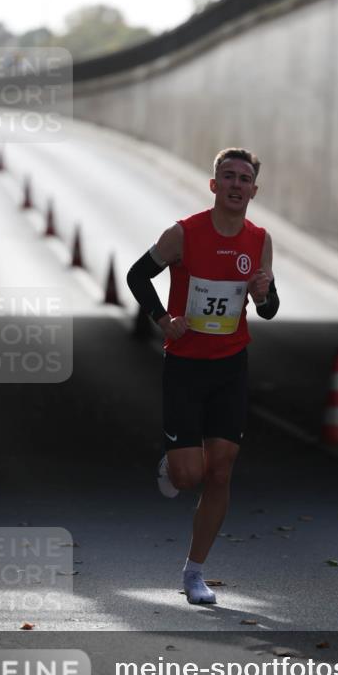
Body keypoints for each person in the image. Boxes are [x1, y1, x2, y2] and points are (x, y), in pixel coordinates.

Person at [126, 148, 279, 604]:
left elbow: (268, 309)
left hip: (231, 364)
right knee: (188, 475)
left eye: (244, 178)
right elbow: (137, 275)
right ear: (214, 186)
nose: (236, 185)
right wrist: (161, 319)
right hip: (186, 365)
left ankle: (195, 573)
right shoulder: (183, 234)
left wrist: (264, 294)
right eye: (227, 177)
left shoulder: (260, 239)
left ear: (253, 190)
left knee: (222, 469)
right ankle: (172, 463)